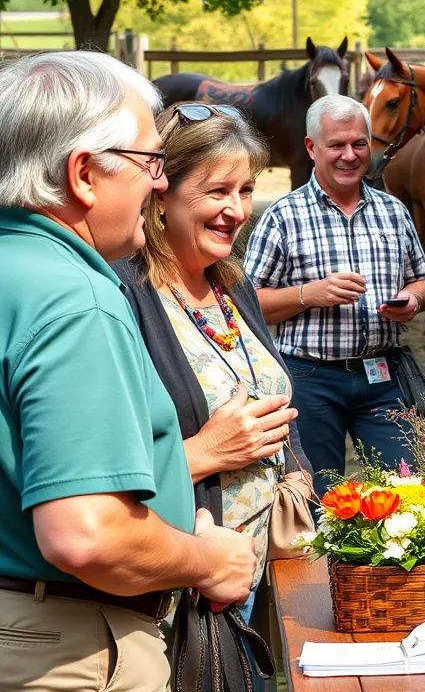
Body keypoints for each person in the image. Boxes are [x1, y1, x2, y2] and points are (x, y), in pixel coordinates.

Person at [0, 52, 255, 692]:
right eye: (151, 164)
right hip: (67, 651)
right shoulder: (76, 298)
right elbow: (86, 534)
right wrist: (206, 558)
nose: (161, 185)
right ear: (84, 175)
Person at [113, 103, 311, 625]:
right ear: (162, 195)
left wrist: (298, 475)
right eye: (218, 191)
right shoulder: (124, 295)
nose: (240, 209)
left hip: (261, 570)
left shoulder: (232, 284)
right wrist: (204, 453)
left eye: (245, 190)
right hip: (184, 587)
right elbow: (100, 479)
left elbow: (269, 395)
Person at [245, 95, 425, 496]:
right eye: (336, 145)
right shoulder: (284, 216)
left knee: (404, 495)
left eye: (359, 144)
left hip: (383, 376)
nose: (350, 155)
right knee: (316, 497)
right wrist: (308, 294)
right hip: (310, 378)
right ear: (312, 148)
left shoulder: (393, 211)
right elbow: (245, 304)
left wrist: (413, 301)